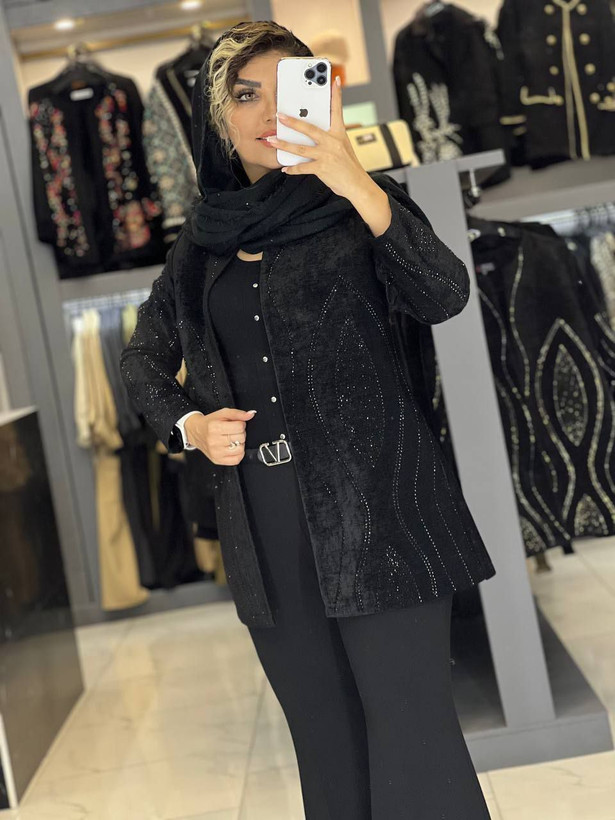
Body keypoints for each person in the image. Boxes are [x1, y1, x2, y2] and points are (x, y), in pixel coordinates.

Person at [121, 20, 495, 819]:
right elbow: (143, 361)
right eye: (243, 94)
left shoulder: (361, 202)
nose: (264, 112)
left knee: (414, 739)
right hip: (264, 529)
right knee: (326, 748)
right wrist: (190, 426)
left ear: (318, 98)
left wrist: (353, 178)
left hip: (382, 511)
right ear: (218, 117)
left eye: (284, 89)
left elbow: (444, 294)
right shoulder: (200, 244)